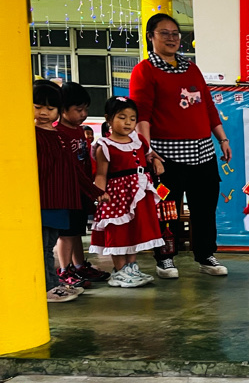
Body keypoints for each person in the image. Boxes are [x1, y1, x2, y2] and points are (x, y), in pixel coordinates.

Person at [129, 13, 230, 279]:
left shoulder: (191, 68)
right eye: (164, 33)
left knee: (205, 209)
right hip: (166, 157)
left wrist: (222, 139)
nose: (172, 38)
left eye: (175, 34)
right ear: (151, 37)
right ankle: (165, 258)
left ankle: (205, 255)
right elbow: (142, 115)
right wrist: (148, 151)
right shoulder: (144, 70)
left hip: (203, 153)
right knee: (167, 210)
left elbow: (208, 107)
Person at [33, 80, 107, 304]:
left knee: (49, 246)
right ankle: (47, 287)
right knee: (42, 247)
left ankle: (52, 285)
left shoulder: (62, 137)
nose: (44, 112)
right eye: (38, 107)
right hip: (41, 201)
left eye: (50, 108)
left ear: (59, 110)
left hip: (61, 200)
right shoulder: (29, 136)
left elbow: (76, 170)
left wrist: (94, 191)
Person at [90, 97, 165, 287]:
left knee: (135, 230)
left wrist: (156, 161)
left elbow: (149, 155)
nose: (128, 123)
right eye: (122, 117)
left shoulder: (139, 140)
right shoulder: (105, 146)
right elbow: (101, 174)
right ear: (108, 119)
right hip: (117, 196)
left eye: (132, 119)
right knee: (118, 230)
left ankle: (132, 267)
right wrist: (100, 193)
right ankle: (120, 270)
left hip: (139, 193)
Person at [53, 81, 109, 288]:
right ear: (63, 109)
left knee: (77, 231)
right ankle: (64, 270)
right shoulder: (58, 133)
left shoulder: (78, 131)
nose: (84, 114)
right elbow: (71, 169)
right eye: (79, 109)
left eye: (86, 109)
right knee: (66, 233)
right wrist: (93, 190)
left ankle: (79, 266)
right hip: (66, 193)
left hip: (80, 192)